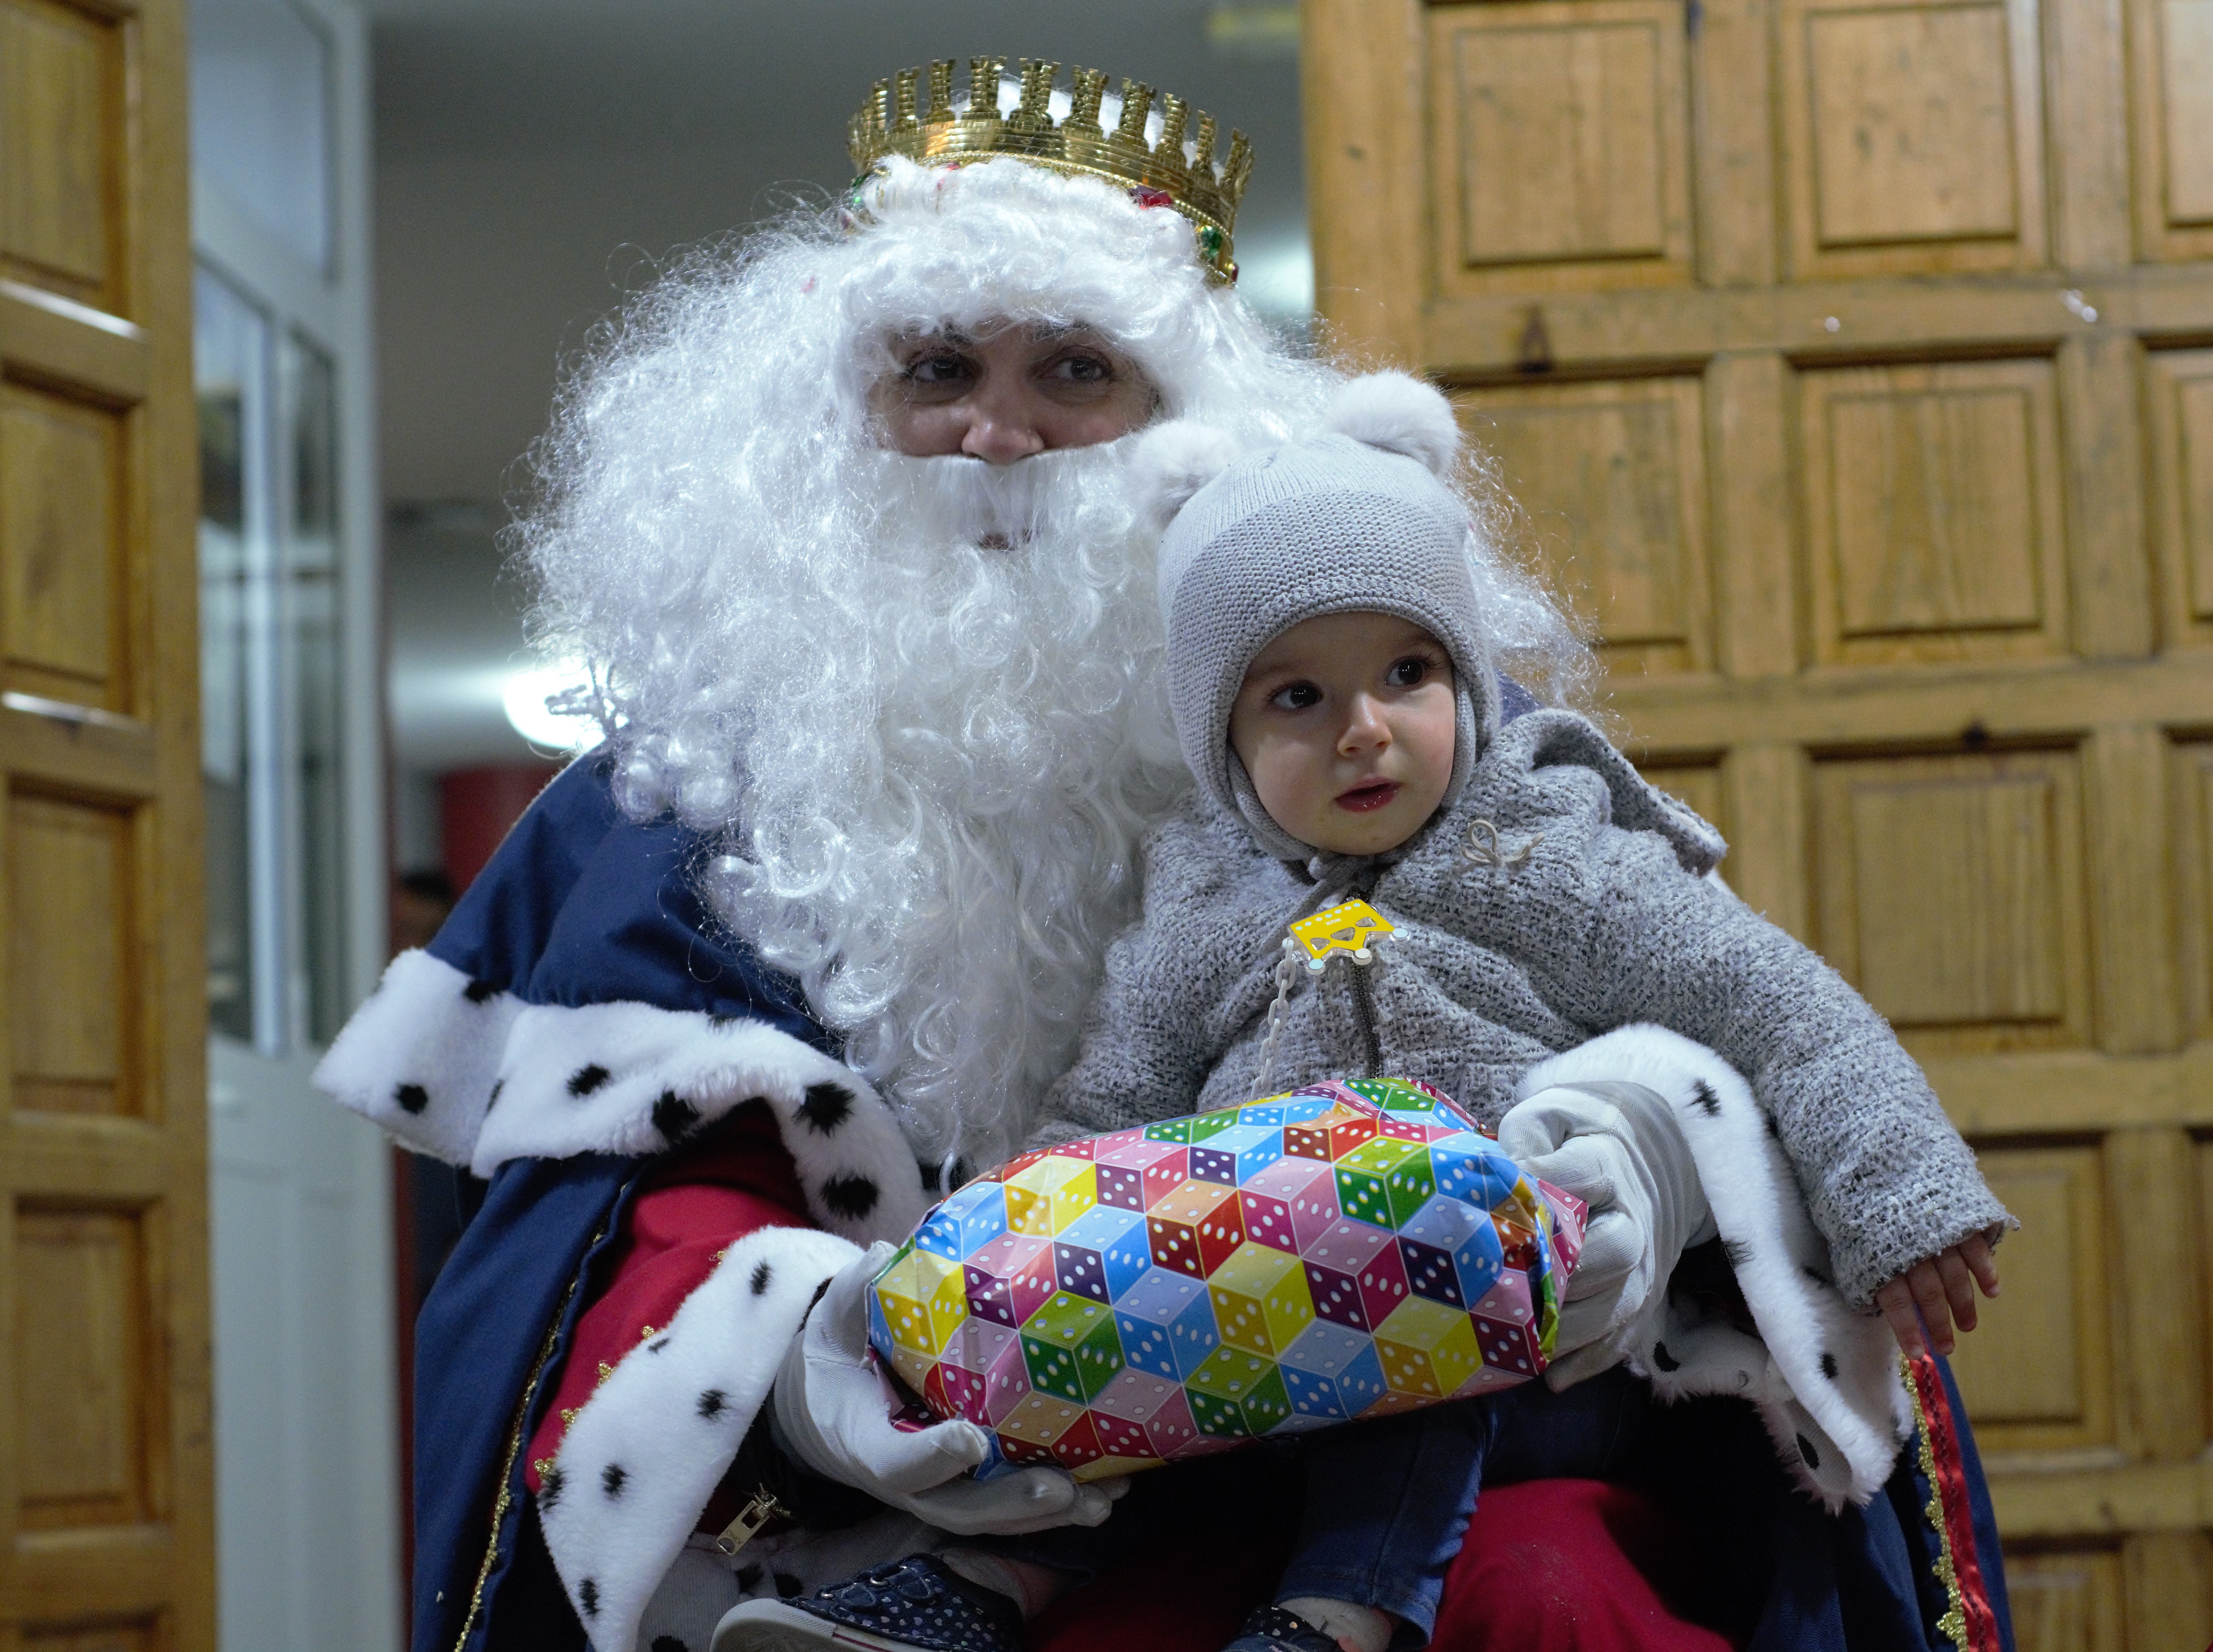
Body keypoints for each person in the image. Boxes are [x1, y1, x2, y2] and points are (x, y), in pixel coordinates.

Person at [317, 58, 2014, 1652]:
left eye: (1074, 372)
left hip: (1456, 1399)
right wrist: (822, 1367)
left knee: (1550, 1589)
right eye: (937, 372)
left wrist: (1639, 1140)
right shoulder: (668, 810)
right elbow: (601, 1231)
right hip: (926, 1495)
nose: (1000, 436)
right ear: (830, 420)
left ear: (1183, 422)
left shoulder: (1412, 728)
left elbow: (1726, 995)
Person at [717, 379, 2010, 1652]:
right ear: (1220, 737)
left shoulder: (1549, 856)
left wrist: (1900, 1198)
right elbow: (1108, 1108)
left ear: (1469, 680)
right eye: (1298, 698)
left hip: (1531, 1350)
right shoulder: (1202, 902)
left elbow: (1778, 1002)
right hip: (1260, 1336)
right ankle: (975, 1592)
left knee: (1404, 1314)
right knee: (1127, 1349)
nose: (1366, 731)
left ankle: (1338, 1615)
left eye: (1408, 672)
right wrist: (1015, 1272)